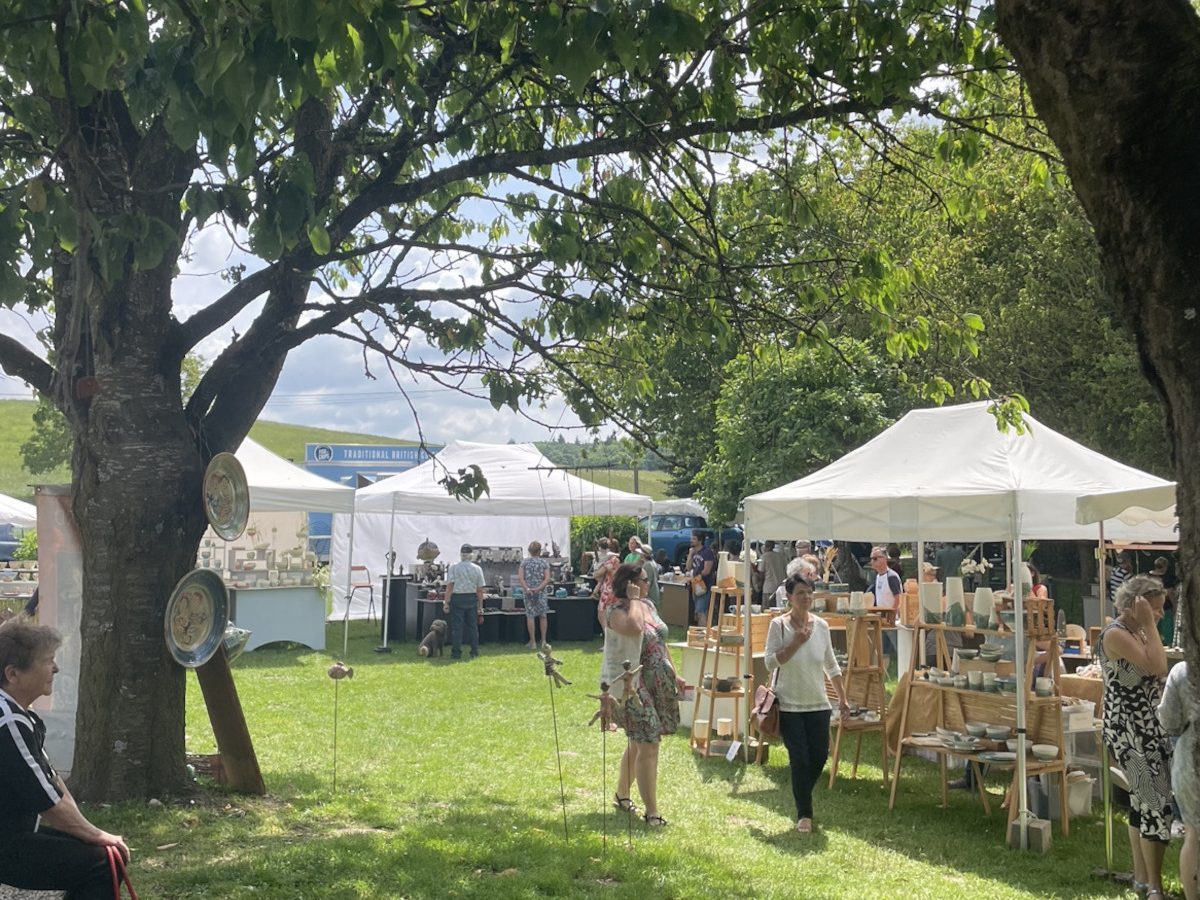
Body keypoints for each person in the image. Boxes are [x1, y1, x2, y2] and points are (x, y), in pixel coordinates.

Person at [0, 619, 130, 898]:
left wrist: (93, 833)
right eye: (47, 661)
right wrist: (97, 836)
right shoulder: (8, 722)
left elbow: (53, 783)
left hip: (13, 838)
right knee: (103, 864)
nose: (56, 668)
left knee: (105, 855)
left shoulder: (18, 715)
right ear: (13, 674)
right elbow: (47, 802)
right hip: (6, 846)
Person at [1099, 574, 1173, 900]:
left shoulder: (1136, 632)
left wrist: (1148, 627)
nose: (1159, 614)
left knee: (1142, 803)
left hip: (1145, 728)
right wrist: (1151, 626)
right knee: (1155, 804)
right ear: (1136, 604)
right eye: (1155, 608)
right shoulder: (1116, 634)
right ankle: (1154, 887)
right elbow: (1157, 667)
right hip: (1131, 731)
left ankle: (1142, 881)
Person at [764, 575, 850, 833]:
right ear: (789, 597)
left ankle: (801, 790)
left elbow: (831, 666)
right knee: (800, 760)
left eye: (809, 592)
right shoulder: (778, 625)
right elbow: (770, 662)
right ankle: (805, 813)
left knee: (820, 756)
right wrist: (796, 642)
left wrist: (842, 698)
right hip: (789, 703)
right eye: (800, 592)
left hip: (819, 704)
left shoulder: (822, 626)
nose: (806, 597)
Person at [600, 564, 683, 827]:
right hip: (632, 686)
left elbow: (660, 640)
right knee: (648, 742)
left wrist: (675, 673)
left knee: (638, 742)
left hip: (657, 681)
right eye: (644, 580)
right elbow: (636, 628)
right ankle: (652, 812)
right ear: (630, 584)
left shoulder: (648, 604)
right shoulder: (614, 612)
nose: (649, 584)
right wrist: (633, 600)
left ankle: (621, 794)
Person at [1159, 662, 1198, 900]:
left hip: (1191, 759)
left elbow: (1169, 721)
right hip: (1190, 759)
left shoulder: (1183, 671)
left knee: (1193, 835)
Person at [443, 543, 486, 659]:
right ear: (472, 555)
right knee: (473, 627)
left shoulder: (454, 568)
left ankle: (456, 652)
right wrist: (480, 606)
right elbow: (480, 590)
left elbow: (450, 587)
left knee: (457, 627)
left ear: (461, 554)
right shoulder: (477, 569)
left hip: (457, 598)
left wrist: (446, 602)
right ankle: (474, 651)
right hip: (471, 598)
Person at [518, 540, 552, 650]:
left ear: (529, 551)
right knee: (543, 616)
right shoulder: (544, 563)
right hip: (541, 592)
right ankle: (544, 641)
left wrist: (527, 588)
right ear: (539, 551)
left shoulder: (524, 563)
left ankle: (532, 641)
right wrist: (538, 588)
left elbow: (521, 578)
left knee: (530, 615)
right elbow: (547, 579)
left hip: (528, 592)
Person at [687, 531, 716, 626]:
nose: (691, 540)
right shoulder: (693, 552)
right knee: (698, 611)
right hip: (695, 584)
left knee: (700, 610)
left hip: (705, 584)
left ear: (700, 541)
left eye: (694, 539)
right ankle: (702, 630)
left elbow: (707, 570)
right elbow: (688, 567)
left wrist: (698, 577)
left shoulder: (707, 552)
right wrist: (690, 555)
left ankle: (702, 633)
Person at [759, 541, 788, 609]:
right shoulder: (781, 556)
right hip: (781, 587)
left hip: (768, 587)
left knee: (767, 609)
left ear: (766, 546)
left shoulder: (764, 557)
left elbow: (761, 572)